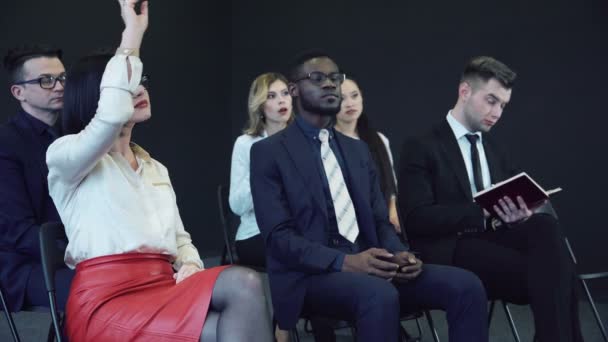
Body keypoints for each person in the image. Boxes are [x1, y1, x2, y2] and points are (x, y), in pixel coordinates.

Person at [46, 1, 272, 341]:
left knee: (244, 288)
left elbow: (180, 239)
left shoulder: (154, 167)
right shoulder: (66, 157)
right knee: (242, 288)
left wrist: (192, 265)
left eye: (143, 80)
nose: (139, 89)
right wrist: (133, 34)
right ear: (99, 93)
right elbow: (109, 116)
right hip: (107, 303)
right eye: (128, 82)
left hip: (163, 288)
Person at [250, 50, 489, 342]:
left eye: (336, 78)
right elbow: (279, 238)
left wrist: (398, 254)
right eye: (318, 77)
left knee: (466, 284)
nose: (330, 84)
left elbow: (380, 221)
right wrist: (345, 262)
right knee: (379, 295)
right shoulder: (269, 152)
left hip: (372, 266)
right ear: (294, 89)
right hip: (310, 276)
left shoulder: (357, 150)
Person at [398, 56, 583, 342]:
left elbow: (516, 198)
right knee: (557, 274)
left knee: (544, 228)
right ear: (464, 92)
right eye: (491, 100)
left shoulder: (495, 147)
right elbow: (416, 219)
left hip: (496, 239)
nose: (497, 113)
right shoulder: (421, 146)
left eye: (503, 105)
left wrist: (522, 212)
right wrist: (482, 213)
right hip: (451, 247)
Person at [0, 44, 73, 312]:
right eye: (45, 80)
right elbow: (17, 233)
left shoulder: (73, 135)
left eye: (63, 78)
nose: (58, 86)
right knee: (98, 288)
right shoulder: (5, 144)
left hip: (76, 254)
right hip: (25, 265)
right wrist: (80, 253)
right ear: (19, 92)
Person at [229, 72, 293, 268]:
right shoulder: (246, 144)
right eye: (271, 96)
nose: (281, 101)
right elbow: (237, 205)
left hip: (298, 232)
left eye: (285, 93)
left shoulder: (302, 140)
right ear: (260, 106)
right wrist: (264, 171)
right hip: (256, 233)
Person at [335, 77, 400, 233]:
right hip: (343, 227)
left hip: (381, 225)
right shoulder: (325, 142)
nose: (350, 103)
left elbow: (391, 186)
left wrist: (393, 212)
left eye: (354, 95)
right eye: (341, 99)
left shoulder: (379, 140)